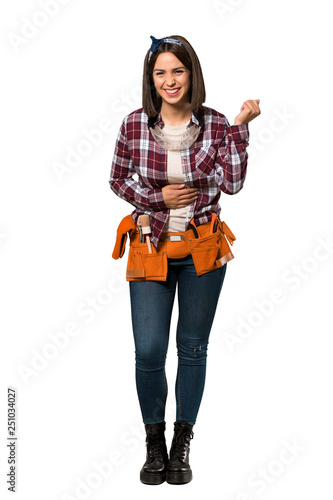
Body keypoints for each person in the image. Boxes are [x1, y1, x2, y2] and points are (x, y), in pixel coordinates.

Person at [109, 34, 260, 486]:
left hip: (202, 250)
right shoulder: (134, 124)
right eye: (160, 73)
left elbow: (231, 184)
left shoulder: (214, 125)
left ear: (191, 74)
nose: (169, 81)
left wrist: (239, 126)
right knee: (149, 350)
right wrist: (157, 197)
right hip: (150, 247)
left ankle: (181, 442)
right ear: (150, 80)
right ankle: (154, 442)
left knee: (192, 350)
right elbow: (117, 180)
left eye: (178, 71)